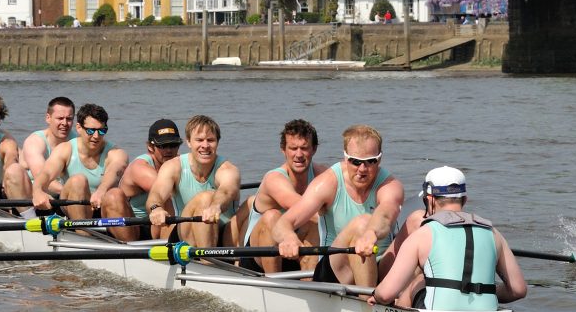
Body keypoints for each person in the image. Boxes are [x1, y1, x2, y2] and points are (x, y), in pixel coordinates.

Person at [368, 167, 528, 312]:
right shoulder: (493, 233)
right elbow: (518, 290)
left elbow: (386, 294)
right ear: (464, 200)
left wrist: (377, 296)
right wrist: (486, 291)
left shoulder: (422, 234)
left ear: (429, 200)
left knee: (417, 281)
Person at [271, 124, 404, 287]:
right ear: (346, 158)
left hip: (380, 266)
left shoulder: (390, 185)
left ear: (380, 159)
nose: (362, 169)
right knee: (361, 223)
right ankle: (367, 301)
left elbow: (386, 213)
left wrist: (371, 233)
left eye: (370, 161)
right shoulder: (327, 183)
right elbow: (282, 224)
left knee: (416, 220)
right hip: (336, 272)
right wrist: (289, 238)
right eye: (355, 162)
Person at [242, 119, 328, 273]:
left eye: (304, 148)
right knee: (272, 217)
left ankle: (310, 281)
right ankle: (274, 282)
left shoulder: (323, 175)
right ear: (283, 150)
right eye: (293, 148)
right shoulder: (274, 179)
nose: (299, 154)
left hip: (298, 247)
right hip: (259, 256)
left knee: (314, 226)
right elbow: (304, 209)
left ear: (314, 149)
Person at [146, 114, 245, 248]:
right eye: (199, 140)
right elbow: (157, 193)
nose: (205, 145)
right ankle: (207, 259)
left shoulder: (228, 169)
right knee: (205, 198)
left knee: (253, 202)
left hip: (224, 234)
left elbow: (226, 191)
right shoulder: (173, 167)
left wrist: (216, 206)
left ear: (217, 142)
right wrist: (156, 208)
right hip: (186, 233)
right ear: (188, 142)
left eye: (210, 140)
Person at [31, 103, 129, 220]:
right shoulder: (65, 149)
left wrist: (101, 191)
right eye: (91, 131)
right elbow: (46, 173)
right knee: (78, 180)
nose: (96, 136)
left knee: (116, 194)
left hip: (101, 206)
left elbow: (114, 171)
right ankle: (82, 230)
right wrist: (37, 191)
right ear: (78, 128)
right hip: (70, 205)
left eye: (102, 130)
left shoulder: (116, 153)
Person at [112, 118, 183, 242]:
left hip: (159, 224)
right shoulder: (140, 167)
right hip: (134, 227)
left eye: (173, 145)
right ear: (150, 146)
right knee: (113, 195)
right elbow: (167, 193)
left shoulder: (181, 162)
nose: (169, 150)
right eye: (163, 146)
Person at [23, 96, 75, 191]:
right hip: (38, 193)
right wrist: (68, 193)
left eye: (69, 119)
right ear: (48, 118)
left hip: (65, 193)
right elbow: (41, 178)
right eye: (60, 118)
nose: (64, 123)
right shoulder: (35, 142)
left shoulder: (77, 140)